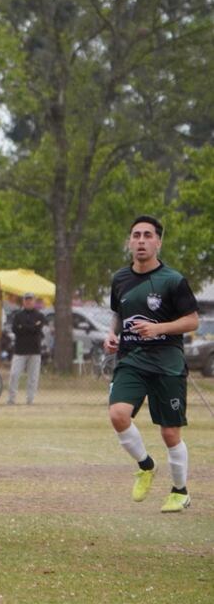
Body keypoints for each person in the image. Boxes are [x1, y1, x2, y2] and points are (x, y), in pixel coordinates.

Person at [104, 215, 198, 513]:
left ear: (158, 242)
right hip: (131, 360)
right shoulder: (120, 278)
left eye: (147, 235)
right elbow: (118, 314)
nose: (141, 240)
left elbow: (192, 320)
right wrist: (111, 334)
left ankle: (180, 491)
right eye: (136, 235)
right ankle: (145, 466)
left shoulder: (173, 280)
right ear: (129, 242)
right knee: (118, 414)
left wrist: (159, 328)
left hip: (168, 364)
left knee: (170, 433)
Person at [7, 293, 45, 405]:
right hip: (20, 350)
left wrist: (24, 327)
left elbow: (37, 329)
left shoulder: (40, 315)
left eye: (30, 300)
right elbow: (15, 329)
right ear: (23, 301)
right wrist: (30, 327)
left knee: (33, 377)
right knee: (14, 374)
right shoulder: (18, 315)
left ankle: (30, 399)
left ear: (34, 301)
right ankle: (11, 399)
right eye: (26, 300)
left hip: (34, 350)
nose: (28, 302)